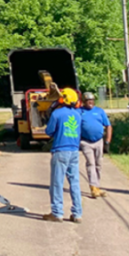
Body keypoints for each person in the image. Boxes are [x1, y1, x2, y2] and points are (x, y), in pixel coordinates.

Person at [43, 87, 83, 223]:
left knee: (57, 183)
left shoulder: (57, 113)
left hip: (60, 150)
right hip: (74, 151)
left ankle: (57, 213)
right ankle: (77, 214)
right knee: (75, 183)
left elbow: (49, 131)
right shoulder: (78, 115)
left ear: (63, 99)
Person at [79, 91, 112, 198]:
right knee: (91, 163)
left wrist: (107, 141)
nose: (90, 102)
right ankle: (93, 187)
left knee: (99, 164)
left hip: (99, 141)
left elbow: (108, 126)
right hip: (85, 142)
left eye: (92, 100)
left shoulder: (100, 111)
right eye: (88, 101)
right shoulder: (79, 111)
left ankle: (97, 186)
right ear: (84, 102)